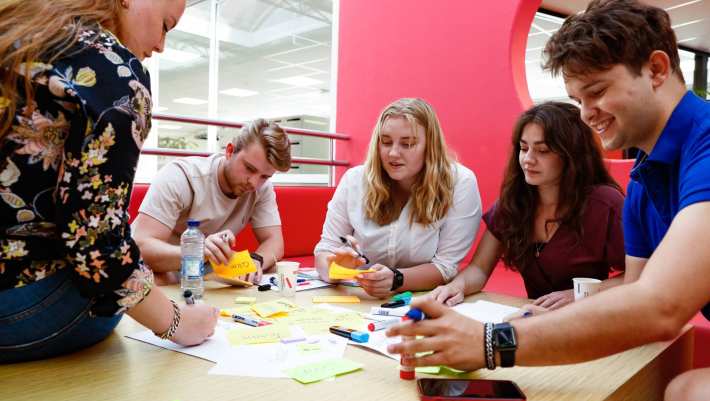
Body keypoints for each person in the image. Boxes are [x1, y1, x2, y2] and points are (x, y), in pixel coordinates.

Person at [387, 1, 710, 399]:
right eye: (578, 101)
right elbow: (635, 287)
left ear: (657, 70)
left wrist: (491, 342)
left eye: (597, 92)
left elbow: (659, 304)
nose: (588, 114)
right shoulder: (643, 180)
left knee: (687, 391)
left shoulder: (703, 144)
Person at [0, 0, 218, 364]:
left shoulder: (28, 30)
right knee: (112, 300)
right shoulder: (114, 69)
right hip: (18, 294)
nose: (161, 46)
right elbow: (96, 246)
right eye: (165, 25)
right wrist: (176, 322)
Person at [428, 102, 626, 313]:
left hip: (592, 319)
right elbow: (479, 268)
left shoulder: (605, 203)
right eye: (523, 148)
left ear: (571, 155)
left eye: (542, 150)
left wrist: (580, 296)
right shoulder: (513, 202)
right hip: (535, 322)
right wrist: (455, 287)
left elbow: (639, 276)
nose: (528, 159)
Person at [314, 98, 482, 298]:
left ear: (430, 146)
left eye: (408, 144)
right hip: (360, 299)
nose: (393, 153)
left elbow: (445, 268)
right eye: (385, 142)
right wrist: (335, 269)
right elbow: (324, 251)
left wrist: (396, 279)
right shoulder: (354, 180)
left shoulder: (460, 182)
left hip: (422, 300)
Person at [132, 119, 291, 285]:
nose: (253, 183)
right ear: (230, 151)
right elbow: (141, 248)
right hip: (163, 268)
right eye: (249, 169)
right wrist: (196, 252)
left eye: (265, 176)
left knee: (272, 268)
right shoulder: (180, 176)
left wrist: (255, 260)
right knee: (143, 278)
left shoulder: (261, 189)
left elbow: (275, 242)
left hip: (206, 269)